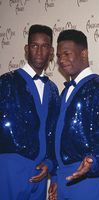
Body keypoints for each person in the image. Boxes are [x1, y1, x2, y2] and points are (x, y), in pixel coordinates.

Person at [48, 29, 99, 200]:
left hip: (89, 180)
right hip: (65, 178)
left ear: (84, 54)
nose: (61, 60)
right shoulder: (65, 92)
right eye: (58, 55)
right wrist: (56, 177)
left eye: (67, 53)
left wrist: (93, 159)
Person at [0, 24, 60, 199]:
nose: (40, 51)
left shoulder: (53, 89)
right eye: (35, 46)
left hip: (40, 171)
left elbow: (54, 132)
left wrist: (51, 165)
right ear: (27, 49)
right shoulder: (6, 82)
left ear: (51, 51)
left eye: (45, 46)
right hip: (9, 169)